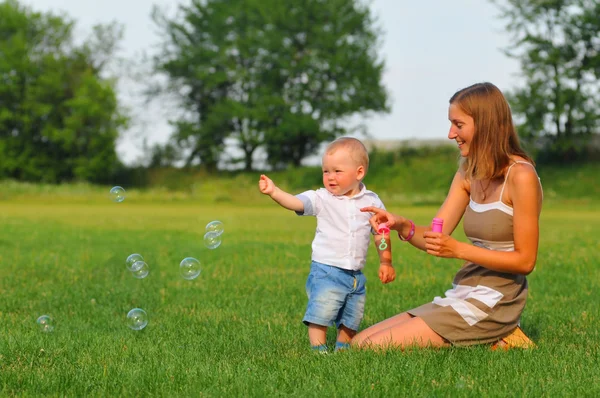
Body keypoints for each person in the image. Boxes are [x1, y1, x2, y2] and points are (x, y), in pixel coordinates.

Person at [352, 82, 543, 350]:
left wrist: (459, 250)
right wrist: (402, 225)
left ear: (484, 124)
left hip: (496, 300)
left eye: (459, 124)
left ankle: (501, 334)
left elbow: (526, 261)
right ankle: (493, 341)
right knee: (360, 342)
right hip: (464, 291)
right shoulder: (468, 173)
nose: (451, 133)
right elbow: (436, 237)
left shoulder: (521, 176)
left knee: (371, 347)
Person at [258, 137, 396, 353]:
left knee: (353, 316)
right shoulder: (322, 198)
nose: (330, 177)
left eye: (337, 171)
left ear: (359, 173)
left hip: (355, 275)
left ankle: (342, 348)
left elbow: (381, 234)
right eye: (326, 171)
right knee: (321, 312)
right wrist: (274, 192)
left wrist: (386, 261)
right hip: (326, 269)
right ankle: (319, 350)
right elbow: (297, 202)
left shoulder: (372, 202)